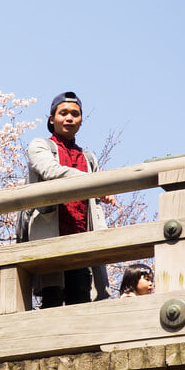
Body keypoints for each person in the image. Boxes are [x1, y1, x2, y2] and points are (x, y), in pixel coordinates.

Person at [23, 91, 116, 307]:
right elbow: (51, 171)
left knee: (81, 299)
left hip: (81, 241)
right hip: (51, 237)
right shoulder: (40, 146)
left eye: (75, 114)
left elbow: (95, 206)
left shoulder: (88, 158)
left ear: (81, 120)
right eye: (63, 113)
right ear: (51, 118)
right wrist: (96, 183)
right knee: (52, 298)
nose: (69, 118)